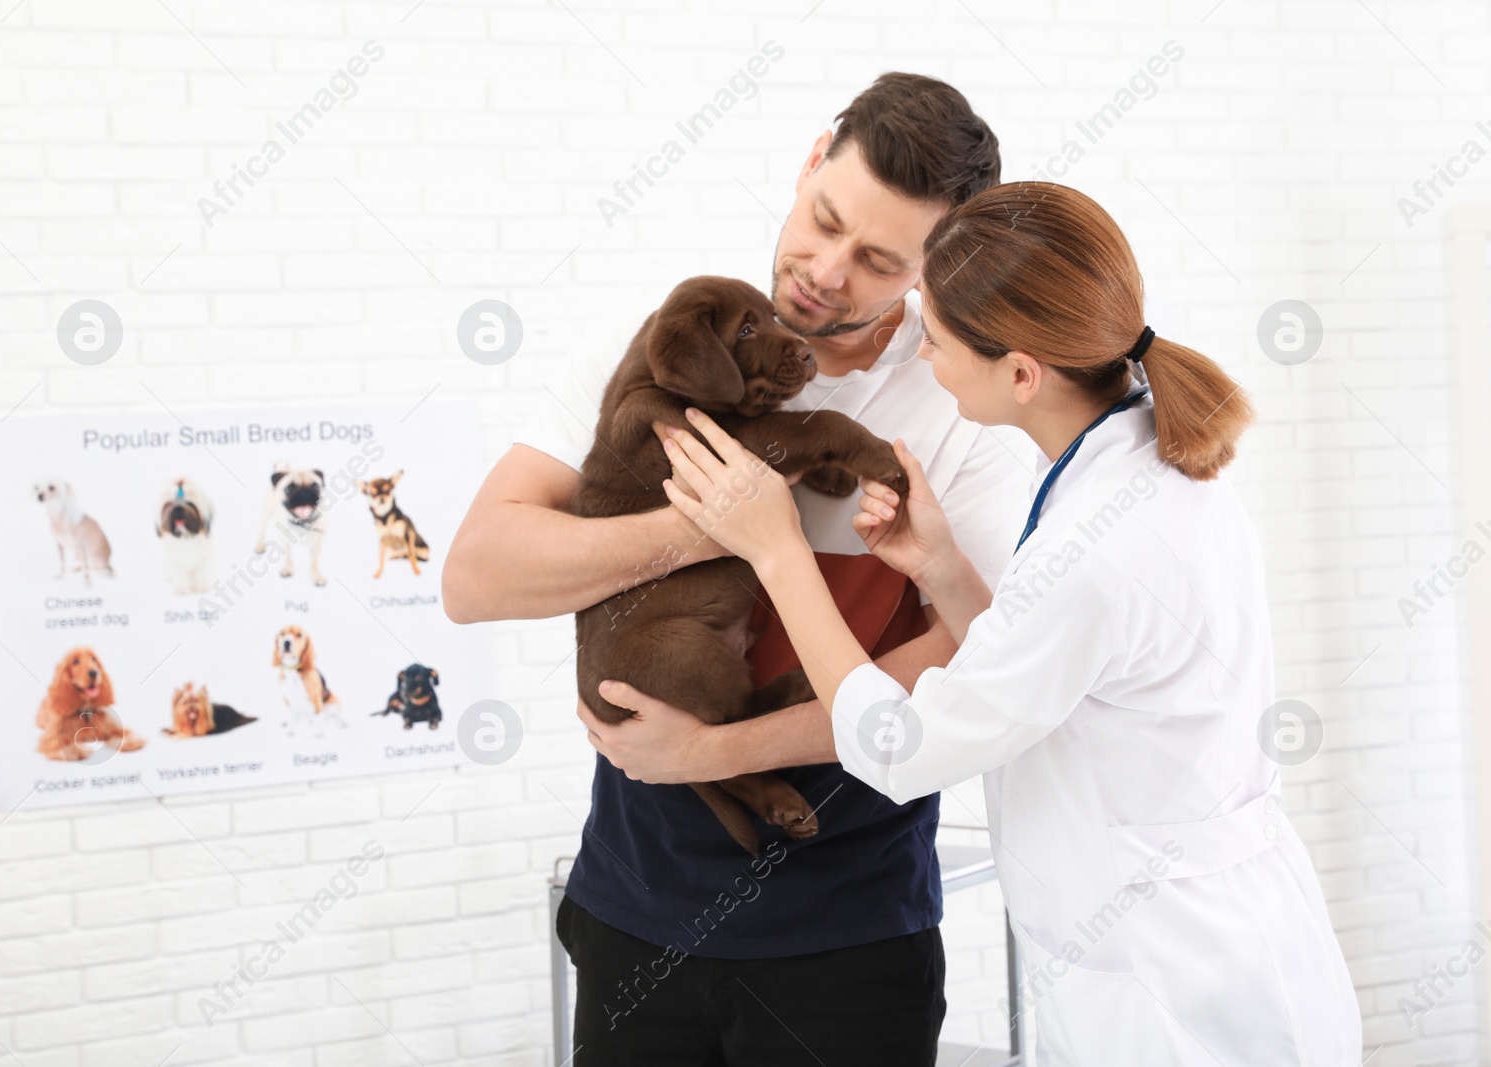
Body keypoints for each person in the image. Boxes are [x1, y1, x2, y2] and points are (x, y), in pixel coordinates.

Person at [583, 181, 1364, 1065]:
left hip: (1173, 994)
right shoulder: (1154, 463)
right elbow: (1043, 674)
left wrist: (777, 553)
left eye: (938, 342)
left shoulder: (1096, 548)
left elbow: (903, 746)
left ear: (1021, 372)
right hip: (1223, 937)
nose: (924, 358)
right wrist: (944, 571)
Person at [443, 74, 1035, 1065]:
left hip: (846, 938)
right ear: (809, 162)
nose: (824, 273)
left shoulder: (963, 402)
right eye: (823, 219)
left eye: (877, 259)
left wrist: (714, 753)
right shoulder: (661, 345)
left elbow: (958, 666)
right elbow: (475, 576)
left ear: (933, 270)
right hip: (633, 906)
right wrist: (706, 528)